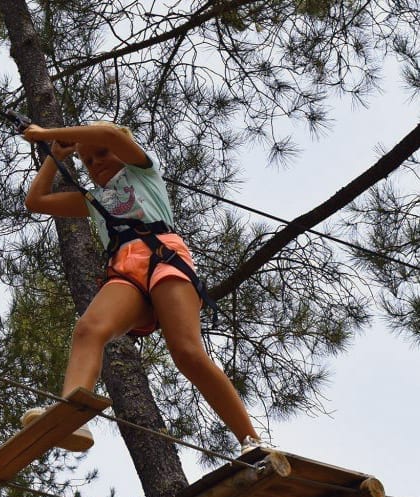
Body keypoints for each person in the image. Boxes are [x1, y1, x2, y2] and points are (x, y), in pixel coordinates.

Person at [20, 121, 263, 453]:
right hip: (124, 268)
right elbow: (36, 201)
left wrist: (46, 134)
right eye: (88, 162)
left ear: (123, 150)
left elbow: (111, 135)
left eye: (102, 155)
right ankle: (72, 417)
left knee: (188, 353)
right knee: (89, 329)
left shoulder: (144, 172)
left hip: (163, 256)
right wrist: (55, 155)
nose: (96, 163)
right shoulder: (94, 201)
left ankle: (251, 441)